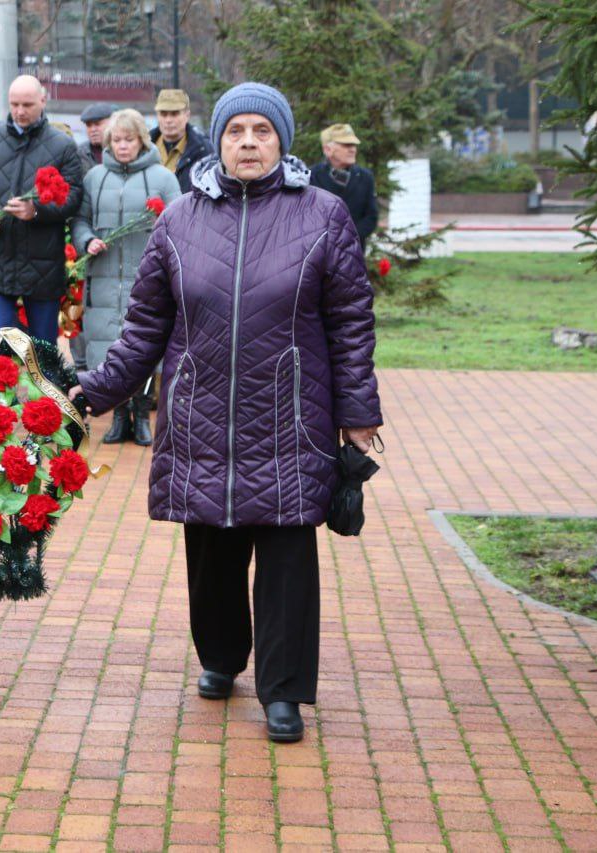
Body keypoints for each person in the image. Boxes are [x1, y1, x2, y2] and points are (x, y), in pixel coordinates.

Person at [70, 83, 382, 744]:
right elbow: (144, 327)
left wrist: (357, 412)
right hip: (200, 413)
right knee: (211, 549)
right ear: (222, 138)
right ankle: (220, 656)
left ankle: (284, 689)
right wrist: (93, 391)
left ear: (281, 140)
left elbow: (352, 322)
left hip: (291, 414)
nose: (248, 142)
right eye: (237, 130)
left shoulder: (323, 214)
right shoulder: (180, 219)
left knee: (287, 552)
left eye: (261, 132)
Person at [70, 108, 180, 446]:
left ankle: (142, 415)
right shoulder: (95, 178)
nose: (122, 146)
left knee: (145, 344)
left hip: (144, 277)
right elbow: (80, 220)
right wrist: (88, 240)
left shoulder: (163, 178)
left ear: (141, 141)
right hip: (104, 277)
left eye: (128, 139)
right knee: (106, 344)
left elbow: (179, 225)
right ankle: (118, 416)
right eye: (116, 140)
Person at [0, 75, 85, 343]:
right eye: (14, 104)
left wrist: (36, 211)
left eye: (27, 104)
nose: (20, 111)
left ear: (43, 100)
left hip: (43, 265)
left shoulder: (63, 146)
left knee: (43, 350)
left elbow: (73, 197)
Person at [309, 123, 378, 247]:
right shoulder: (311, 177)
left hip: (353, 254)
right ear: (327, 150)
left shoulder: (365, 177)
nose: (353, 149)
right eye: (346, 145)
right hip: (320, 254)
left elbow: (371, 217)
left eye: (354, 145)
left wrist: (349, 237)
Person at [150, 88, 214, 195]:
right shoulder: (143, 146)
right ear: (157, 116)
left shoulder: (204, 150)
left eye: (174, 114)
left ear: (187, 115)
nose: (168, 120)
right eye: (163, 114)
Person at [78, 102, 116, 166]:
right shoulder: (79, 153)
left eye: (98, 124)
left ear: (112, 123)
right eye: (88, 125)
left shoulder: (122, 149)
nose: (93, 130)